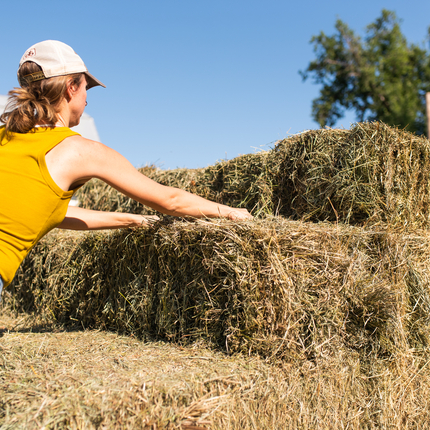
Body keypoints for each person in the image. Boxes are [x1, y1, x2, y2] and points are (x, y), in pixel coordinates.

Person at [0, 40, 252, 295]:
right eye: (87, 88)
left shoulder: (4, 137)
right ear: (70, 88)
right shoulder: (78, 149)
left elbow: (44, 213)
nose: (87, 101)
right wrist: (229, 211)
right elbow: (170, 200)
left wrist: (132, 219)